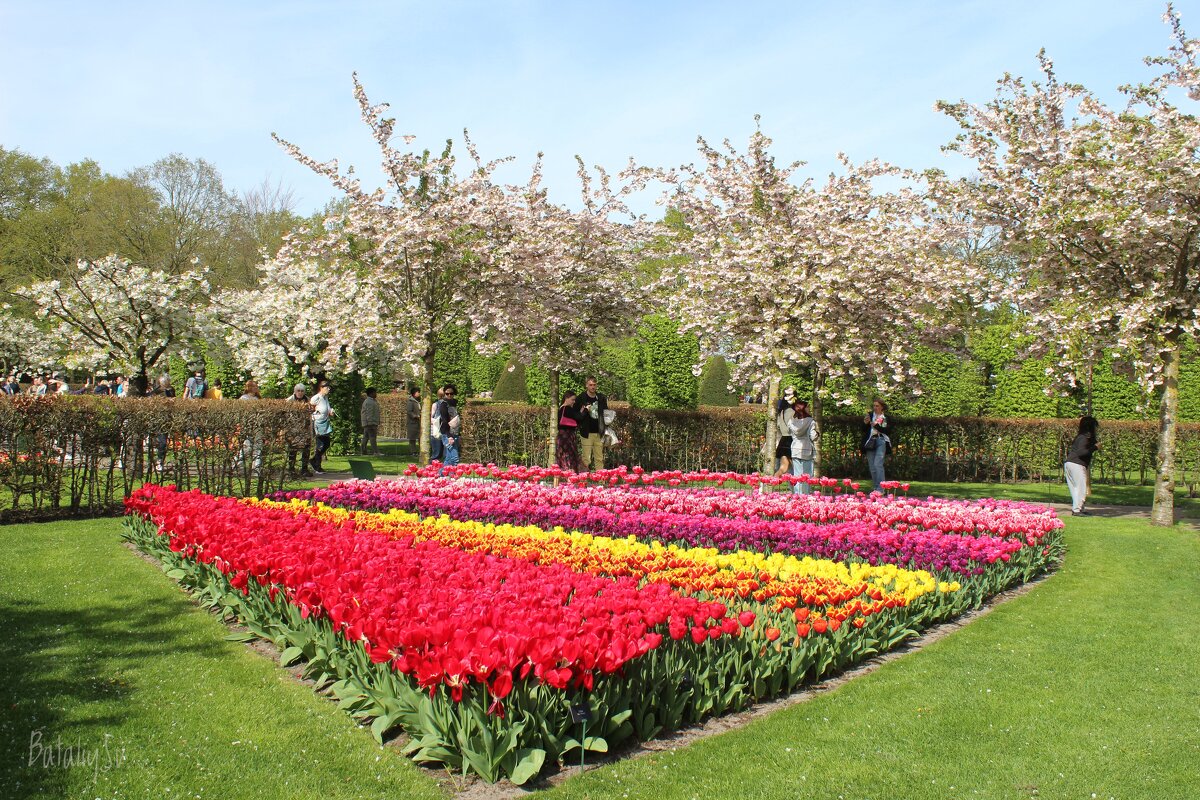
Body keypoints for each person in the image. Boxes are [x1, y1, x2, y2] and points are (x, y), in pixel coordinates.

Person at [1064, 415, 1100, 516]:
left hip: (1070, 463)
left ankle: (1079, 508)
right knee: (1081, 487)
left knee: (1075, 487)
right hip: (1077, 464)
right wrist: (1095, 447)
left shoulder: (1080, 437)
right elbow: (1082, 452)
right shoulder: (1085, 438)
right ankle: (1077, 509)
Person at [577, 377, 608, 471]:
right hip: (586, 432)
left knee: (599, 458)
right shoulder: (581, 398)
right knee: (586, 458)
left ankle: (601, 481)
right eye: (590, 385)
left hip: (599, 432)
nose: (593, 387)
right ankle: (584, 480)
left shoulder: (601, 397)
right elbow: (577, 414)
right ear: (586, 385)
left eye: (594, 385)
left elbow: (606, 413)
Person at [862, 398, 893, 492]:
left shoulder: (886, 418)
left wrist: (876, 425)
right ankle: (876, 488)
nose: (875, 408)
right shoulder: (870, 415)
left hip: (881, 440)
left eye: (877, 406)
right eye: (874, 406)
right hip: (871, 441)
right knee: (872, 466)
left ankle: (881, 489)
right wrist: (865, 423)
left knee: (878, 464)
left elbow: (887, 431)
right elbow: (863, 430)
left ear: (882, 407)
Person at [788, 399, 818, 494]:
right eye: (807, 407)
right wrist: (817, 434)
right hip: (806, 449)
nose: (809, 409)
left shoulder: (792, 421)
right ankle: (805, 495)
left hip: (795, 448)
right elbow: (813, 436)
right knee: (807, 475)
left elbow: (790, 433)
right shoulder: (810, 421)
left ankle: (797, 495)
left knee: (797, 474)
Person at [286, 383, 312, 476]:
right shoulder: (289, 400)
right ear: (295, 391)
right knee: (293, 449)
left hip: (305, 428)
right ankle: (291, 469)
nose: (300, 393)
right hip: (293, 428)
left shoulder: (308, 400)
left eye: (302, 391)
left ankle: (304, 469)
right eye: (298, 391)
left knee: (306, 448)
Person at [310, 380, 335, 475]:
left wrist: (330, 412)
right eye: (327, 387)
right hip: (318, 423)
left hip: (325, 423)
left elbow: (327, 409)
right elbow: (311, 407)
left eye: (329, 388)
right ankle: (316, 466)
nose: (329, 389)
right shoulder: (317, 398)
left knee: (326, 444)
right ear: (321, 388)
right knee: (320, 444)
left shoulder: (325, 398)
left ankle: (314, 461)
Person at [556, 390, 583, 472]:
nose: (574, 402)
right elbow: (578, 418)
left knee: (563, 457)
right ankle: (570, 475)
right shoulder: (566, 408)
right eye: (572, 399)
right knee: (569, 457)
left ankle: (564, 474)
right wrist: (585, 410)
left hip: (562, 436)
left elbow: (575, 418)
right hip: (567, 437)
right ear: (566, 398)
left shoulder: (561, 408)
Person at [435, 383, 460, 470]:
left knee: (449, 459)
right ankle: (453, 477)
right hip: (447, 433)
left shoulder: (454, 404)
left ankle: (441, 477)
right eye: (447, 393)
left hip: (455, 432)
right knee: (455, 459)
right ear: (444, 394)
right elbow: (445, 421)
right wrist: (449, 436)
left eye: (451, 393)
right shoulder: (443, 405)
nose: (449, 395)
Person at [774, 387, 797, 477]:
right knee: (790, 469)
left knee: (783, 468)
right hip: (792, 440)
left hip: (783, 440)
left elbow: (779, 425)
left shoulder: (781, 411)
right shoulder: (793, 411)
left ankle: (771, 483)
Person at [360, 387, 381, 455]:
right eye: (375, 392)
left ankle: (363, 451)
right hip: (370, 423)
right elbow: (369, 413)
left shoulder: (371, 401)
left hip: (368, 422)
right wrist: (370, 423)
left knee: (366, 437)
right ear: (371, 393)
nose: (376, 394)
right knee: (372, 437)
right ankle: (376, 451)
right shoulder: (370, 402)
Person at [430, 387, 445, 462]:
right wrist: (437, 421)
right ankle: (431, 469)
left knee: (443, 454)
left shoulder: (449, 405)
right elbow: (430, 418)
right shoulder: (435, 405)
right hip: (436, 431)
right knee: (436, 453)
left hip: (445, 431)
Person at [406, 387, 422, 456]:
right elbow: (409, 411)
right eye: (418, 392)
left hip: (418, 422)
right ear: (414, 393)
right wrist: (415, 416)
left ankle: (421, 451)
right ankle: (413, 451)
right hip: (412, 423)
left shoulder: (418, 401)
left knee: (420, 437)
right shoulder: (410, 401)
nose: (419, 393)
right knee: (412, 438)